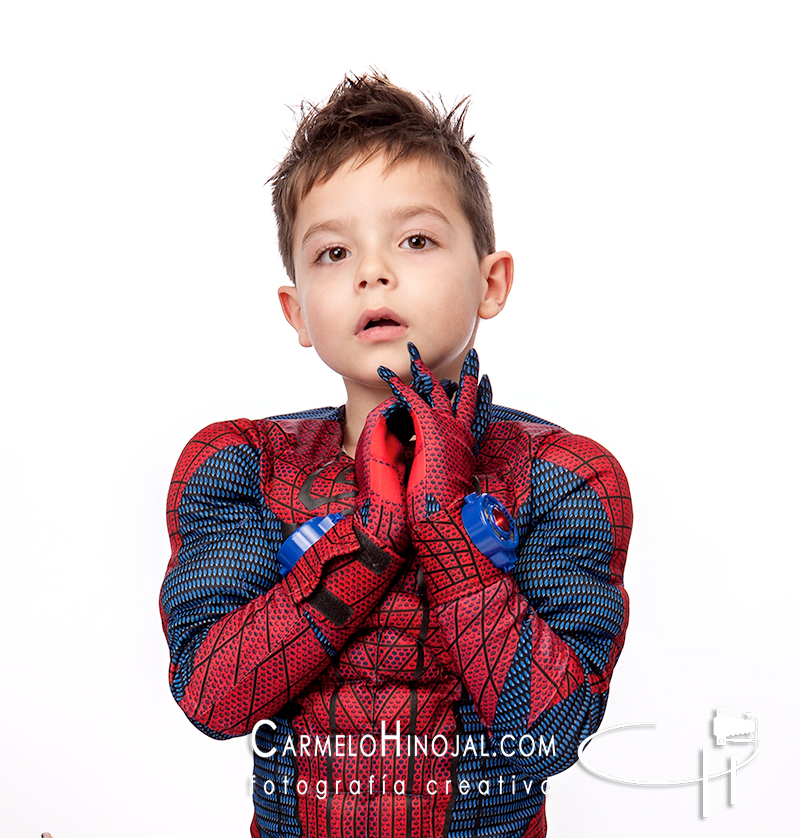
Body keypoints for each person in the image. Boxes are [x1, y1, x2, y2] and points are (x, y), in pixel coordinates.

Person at [159, 72, 633, 838]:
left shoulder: (564, 474)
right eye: (334, 252)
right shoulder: (241, 466)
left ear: (492, 281)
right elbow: (212, 699)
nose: (372, 272)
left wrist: (443, 528)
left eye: (416, 240)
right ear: (298, 312)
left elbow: (553, 731)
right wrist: (374, 532)